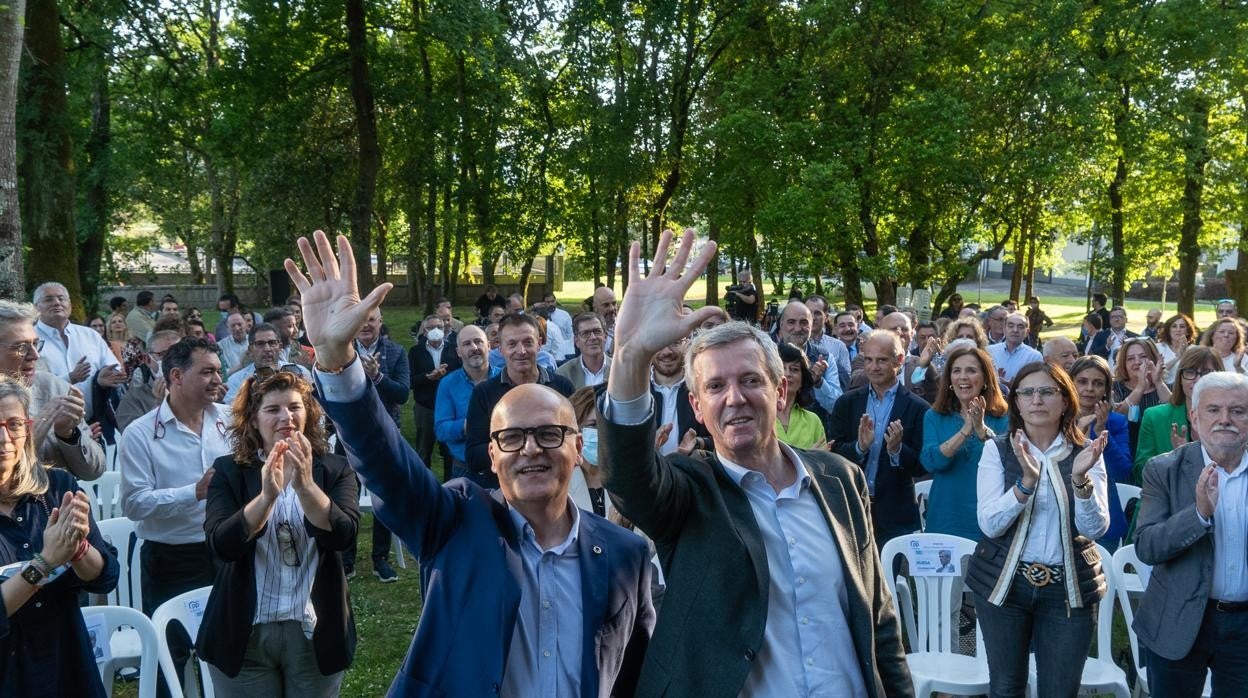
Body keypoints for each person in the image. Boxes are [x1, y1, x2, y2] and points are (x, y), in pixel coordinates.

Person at [285, 230, 655, 696]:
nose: (531, 449)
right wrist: (338, 361)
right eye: (512, 437)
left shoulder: (626, 555)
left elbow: (635, 676)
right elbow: (388, 466)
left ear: (577, 447)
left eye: (549, 433)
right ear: (493, 455)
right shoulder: (457, 521)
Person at [599, 230, 911, 696]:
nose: (735, 398)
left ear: (780, 390)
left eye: (750, 380)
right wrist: (630, 356)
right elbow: (627, 476)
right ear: (697, 407)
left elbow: (879, 620)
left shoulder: (840, 480)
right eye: (716, 387)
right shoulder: (689, 492)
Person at [197, 370, 358, 695]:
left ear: (308, 412)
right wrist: (267, 497)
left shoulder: (335, 468)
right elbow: (222, 545)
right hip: (244, 632)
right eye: (273, 409)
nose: (286, 416)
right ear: (253, 420)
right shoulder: (229, 470)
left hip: (315, 629)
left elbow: (344, 537)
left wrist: (306, 486)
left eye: (295, 407)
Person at [967, 361, 1109, 698]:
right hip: (1005, 583)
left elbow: (1097, 527)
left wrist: (1079, 480)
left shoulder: (1086, 453)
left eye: (1047, 391)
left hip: (1067, 588)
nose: (1036, 400)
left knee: (1060, 690)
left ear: (1065, 401)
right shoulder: (997, 448)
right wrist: (1025, 485)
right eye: (1026, 392)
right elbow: (989, 523)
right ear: (1015, 401)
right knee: (1006, 687)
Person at [119, 336, 231, 698]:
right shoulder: (141, 433)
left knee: (234, 648)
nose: (218, 379)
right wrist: (193, 492)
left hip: (229, 551)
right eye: (208, 372)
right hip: (171, 559)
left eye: (219, 370)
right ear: (177, 376)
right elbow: (134, 504)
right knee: (172, 655)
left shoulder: (230, 421)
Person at [0, 376, 119, 697]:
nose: (4, 438)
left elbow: (105, 576)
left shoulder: (57, 488)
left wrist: (78, 549)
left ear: (27, 428)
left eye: (13, 424)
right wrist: (46, 562)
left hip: (66, 664)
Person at [1134, 371, 1248, 695]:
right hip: (1178, 621)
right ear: (1194, 417)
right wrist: (1198, 515)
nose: (1225, 419)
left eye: (1238, 411)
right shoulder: (1164, 469)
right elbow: (1147, 546)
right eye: (1214, 410)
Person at [830, 329, 929, 544]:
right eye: (868, 360)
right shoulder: (847, 403)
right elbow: (833, 452)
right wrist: (859, 448)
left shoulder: (918, 407)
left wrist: (897, 450)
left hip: (895, 512)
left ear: (899, 360)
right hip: (850, 507)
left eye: (882, 360)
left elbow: (922, 465)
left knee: (889, 576)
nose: (873, 367)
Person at [465, 313, 575, 486]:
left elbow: (574, 440)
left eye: (528, 342)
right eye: (512, 344)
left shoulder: (562, 387)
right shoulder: (484, 394)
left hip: (555, 487)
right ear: (500, 348)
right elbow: (474, 454)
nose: (521, 351)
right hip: (504, 491)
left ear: (539, 343)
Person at [0, 300, 105, 480]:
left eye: (35, 343)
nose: (35, 355)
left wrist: (68, 435)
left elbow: (94, 470)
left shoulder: (54, 387)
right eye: (21, 347)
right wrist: (43, 421)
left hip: (57, 505)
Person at [920, 342, 1009, 541]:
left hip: (988, 518)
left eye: (971, 371)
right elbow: (931, 461)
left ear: (985, 378)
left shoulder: (1004, 417)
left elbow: (1009, 461)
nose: (963, 377)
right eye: (956, 371)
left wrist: (981, 430)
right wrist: (965, 430)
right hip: (946, 516)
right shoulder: (934, 416)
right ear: (949, 379)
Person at [32, 282, 127, 420]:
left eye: (61, 298)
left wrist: (102, 378)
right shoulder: (29, 339)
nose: (57, 303)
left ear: (70, 304)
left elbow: (112, 367)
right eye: (49, 299)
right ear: (35, 308)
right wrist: (70, 378)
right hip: (51, 426)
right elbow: (30, 387)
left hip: (96, 422)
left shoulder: (90, 335)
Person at [1069, 355, 1133, 549]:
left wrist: (1101, 430)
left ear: (1106, 389)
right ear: (1070, 383)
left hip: (1104, 513)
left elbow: (1123, 471)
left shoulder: (1116, 422)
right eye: (1082, 382)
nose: (1089, 388)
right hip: (1065, 514)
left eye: (1097, 383)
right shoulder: (1056, 420)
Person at [1134, 346, 1219, 484]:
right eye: (1190, 372)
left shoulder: (1233, 419)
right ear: (1180, 378)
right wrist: (1176, 458)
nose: (1197, 379)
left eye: (1206, 373)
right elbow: (1140, 473)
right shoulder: (1154, 416)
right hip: (1167, 499)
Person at [433, 326, 498, 481]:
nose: (474, 347)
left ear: (488, 346)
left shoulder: (504, 379)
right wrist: (470, 425)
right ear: (458, 352)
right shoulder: (448, 384)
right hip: (465, 469)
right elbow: (441, 430)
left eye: (478, 342)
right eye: (467, 344)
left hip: (503, 465)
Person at [223, 324, 312, 404]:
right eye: (260, 344)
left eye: (272, 343)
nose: (267, 349)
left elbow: (313, 406)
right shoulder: (236, 381)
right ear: (250, 349)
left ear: (280, 347)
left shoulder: (300, 372)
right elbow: (232, 414)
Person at [115, 329, 183, 432]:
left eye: (179, 354)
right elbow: (131, 436)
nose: (173, 360)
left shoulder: (199, 388)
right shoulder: (134, 398)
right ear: (148, 360)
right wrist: (159, 408)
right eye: (164, 354)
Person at [408, 315, 453, 468]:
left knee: (449, 451)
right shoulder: (415, 352)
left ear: (444, 329)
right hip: (425, 407)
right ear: (425, 331)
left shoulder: (453, 348)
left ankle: (451, 487)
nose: (436, 331)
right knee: (424, 450)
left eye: (439, 327)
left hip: (449, 407)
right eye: (431, 327)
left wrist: (444, 375)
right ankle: (424, 487)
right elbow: (410, 381)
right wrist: (428, 377)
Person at [1112, 337, 1170, 454]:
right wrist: (1140, 388)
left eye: (1143, 356)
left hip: (1161, 450)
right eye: (1130, 359)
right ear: (1124, 364)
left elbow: (1174, 413)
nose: (1137, 362)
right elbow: (1120, 418)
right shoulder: (1116, 388)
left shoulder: (1166, 387)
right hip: (1129, 450)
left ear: (1153, 359)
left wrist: (1158, 382)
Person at [775, 343, 828, 450]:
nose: (787, 374)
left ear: (803, 379)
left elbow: (823, 462)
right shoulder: (760, 416)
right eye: (781, 368)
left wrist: (814, 459)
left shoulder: (813, 421)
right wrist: (807, 457)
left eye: (794, 369)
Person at [556, 313, 612, 389]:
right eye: (585, 333)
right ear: (577, 341)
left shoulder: (620, 370)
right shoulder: (563, 374)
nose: (593, 337)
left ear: (605, 336)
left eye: (597, 331)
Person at [987, 312, 1043, 384]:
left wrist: (1015, 385)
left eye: (1020, 327)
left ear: (1027, 332)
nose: (1015, 330)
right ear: (1004, 329)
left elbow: (1037, 383)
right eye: (1011, 326)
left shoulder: (1034, 357)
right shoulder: (989, 351)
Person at [1156, 313, 1197, 384]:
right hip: (1164, 387)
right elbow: (1156, 373)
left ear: (1187, 331)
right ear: (1168, 330)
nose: (1178, 330)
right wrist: (1177, 358)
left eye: (1182, 326)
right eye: (1174, 326)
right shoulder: (1158, 348)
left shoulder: (1195, 350)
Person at [592, 286, 618, 353]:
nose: (612, 308)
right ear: (595, 308)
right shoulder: (589, 331)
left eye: (614, 303)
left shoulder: (628, 328)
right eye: (606, 305)